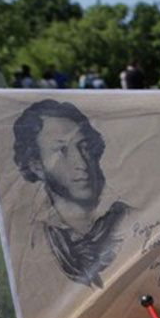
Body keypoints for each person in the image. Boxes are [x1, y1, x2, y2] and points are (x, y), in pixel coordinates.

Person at [12, 99, 131, 288]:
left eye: (84, 146)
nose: (81, 164)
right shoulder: (33, 243)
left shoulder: (128, 216)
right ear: (37, 165)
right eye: (61, 150)